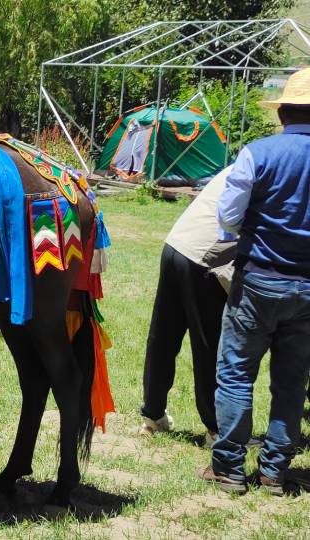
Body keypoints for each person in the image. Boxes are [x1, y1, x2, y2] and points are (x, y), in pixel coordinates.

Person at [199, 67, 310, 496]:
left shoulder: (258, 153)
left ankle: (229, 468)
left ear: (282, 111)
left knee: (236, 373)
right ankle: (273, 473)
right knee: (291, 380)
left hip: (259, 280)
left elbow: (227, 216)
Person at [138, 168, 235, 445]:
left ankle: (152, 415)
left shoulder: (252, 159)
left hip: (176, 244)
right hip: (203, 255)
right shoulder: (289, 164)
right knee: (208, 344)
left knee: (163, 336)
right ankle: (216, 429)